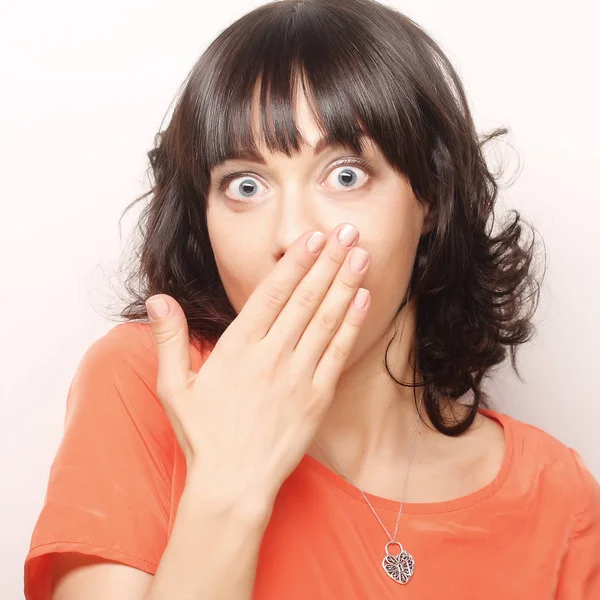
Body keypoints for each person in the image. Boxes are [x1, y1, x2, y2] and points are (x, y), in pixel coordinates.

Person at [24, 0, 600, 598]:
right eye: (245, 186)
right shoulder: (150, 383)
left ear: (430, 194)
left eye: (345, 175)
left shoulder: (557, 493)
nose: (292, 235)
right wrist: (228, 488)